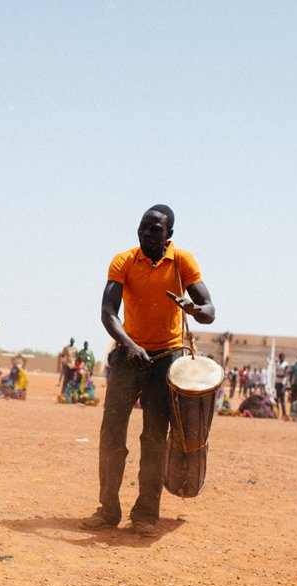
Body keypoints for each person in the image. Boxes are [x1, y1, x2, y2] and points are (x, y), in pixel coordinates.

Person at [82, 205, 215, 535]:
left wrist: (194, 308)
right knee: (112, 434)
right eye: (143, 227)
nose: (146, 233)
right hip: (129, 357)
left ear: (168, 235)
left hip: (165, 361)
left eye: (155, 229)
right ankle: (107, 509)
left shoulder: (183, 262)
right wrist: (129, 345)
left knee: (154, 437)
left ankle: (145, 514)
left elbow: (210, 311)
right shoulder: (123, 261)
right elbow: (108, 313)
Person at [274, 353, 289, 418]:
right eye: (280, 357)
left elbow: (285, 374)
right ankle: (276, 413)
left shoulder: (286, 364)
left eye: (282, 357)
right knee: (276, 399)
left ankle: (284, 414)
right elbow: (274, 371)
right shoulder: (277, 364)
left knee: (282, 400)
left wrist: (277, 375)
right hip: (277, 383)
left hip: (282, 383)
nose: (281, 358)